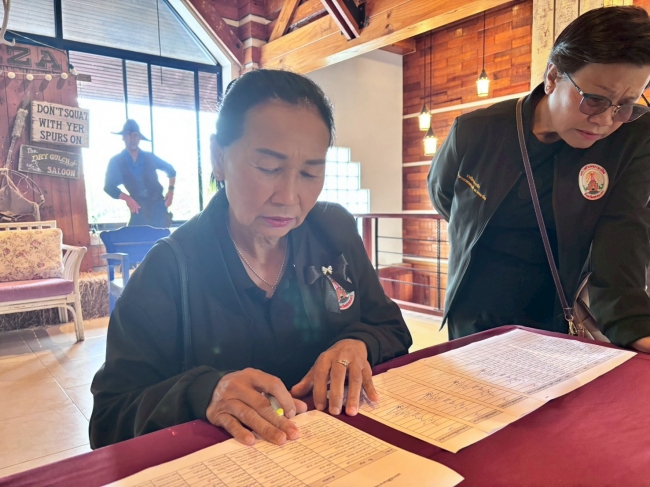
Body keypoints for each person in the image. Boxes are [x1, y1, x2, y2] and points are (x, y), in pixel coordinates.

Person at [90, 70, 412, 448]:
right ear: (218, 157)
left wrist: (359, 343)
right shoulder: (169, 269)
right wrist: (203, 391)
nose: (288, 196)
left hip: (338, 453)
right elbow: (108, 420)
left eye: (310, 172)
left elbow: (391, 328)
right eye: (268, 167)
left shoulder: (334, 232)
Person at [428, 6, 650, 352]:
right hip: (475, 312)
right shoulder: (476, 131)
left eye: (625, 105)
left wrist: (633, 326)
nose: (606, 120)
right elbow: (444, 197)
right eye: (594, 100)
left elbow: (623, 232)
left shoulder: (632, 136)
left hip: (558, 316)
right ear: (553, 76)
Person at [104, 119, 176, 227]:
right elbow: (108, 187)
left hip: (158, 207)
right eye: (129, 135)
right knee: (134, 235)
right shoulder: (117, 161)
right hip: (138, 207)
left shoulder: (149, 157)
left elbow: (171, 170)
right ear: (123, 137)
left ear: (140, 138)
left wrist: (171, 191)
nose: (132, 139)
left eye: (135, 135)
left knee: (160, 236)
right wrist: (127, 198)